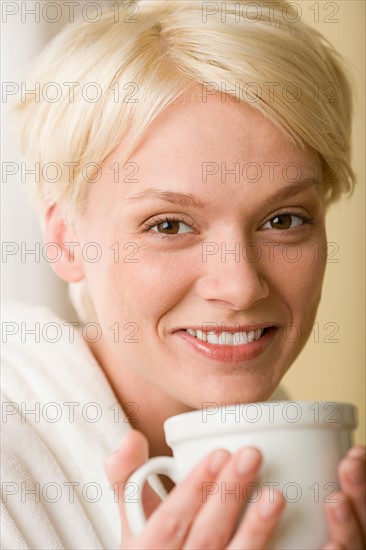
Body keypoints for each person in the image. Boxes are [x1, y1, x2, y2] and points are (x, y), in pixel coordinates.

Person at [2, 1, 365, 548]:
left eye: (283, 220)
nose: (241, 286)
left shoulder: (316, 476)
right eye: (169, 225)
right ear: (65, 240)